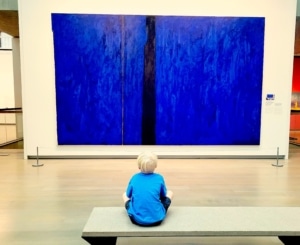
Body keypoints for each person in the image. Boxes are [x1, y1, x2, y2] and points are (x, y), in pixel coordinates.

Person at [122, 151, 173, 226]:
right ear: (155, 166)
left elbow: (128, 195)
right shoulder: (159, 178)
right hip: (157, 219)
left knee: (124, 195)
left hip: (136, 219)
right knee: (170, 193)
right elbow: (163, 195)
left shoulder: (134, 178)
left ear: (139, 166)